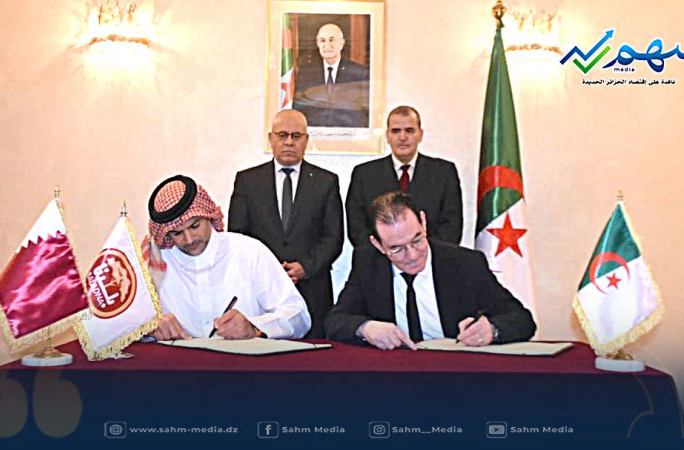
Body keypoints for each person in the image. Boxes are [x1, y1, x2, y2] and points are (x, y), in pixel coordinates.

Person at [326, 192, 535, 350]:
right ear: (378, 245)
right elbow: (335, 321)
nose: (412, 255)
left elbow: (522, 320)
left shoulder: (465, 263)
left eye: (417, 240)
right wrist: (365, 328)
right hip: (394, 372)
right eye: (397, 249)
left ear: (423, 223)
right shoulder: (368, 264)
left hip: (455, 371)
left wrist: (492, 329)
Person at [145, 174, 311, 340]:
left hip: (244, 355)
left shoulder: (248, 251)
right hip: (180, 356)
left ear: (209, 216)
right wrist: (149, 327)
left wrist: (254, 327)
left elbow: (298, 316)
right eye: (177, 233)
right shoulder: (155, 263)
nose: (189, 240)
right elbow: (131, 323)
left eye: (195, 226)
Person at [228, 110, 343, 338]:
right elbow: (238, 235)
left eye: (296, 136)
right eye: (282, 135)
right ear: (271, 139)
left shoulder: (326, 182)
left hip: (312, 289)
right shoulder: (248, 181)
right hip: (262, 291)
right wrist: (271, 269)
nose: (289, 142)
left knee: (315, 357)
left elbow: (333, 237)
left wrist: (305, 267)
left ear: (306, 140)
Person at [345, 105, 462, 248]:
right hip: (378, 258)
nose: (402, 137)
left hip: (431, 259)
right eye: (396, 131)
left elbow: (452, 226)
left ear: (420, 135)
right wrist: (387, 252)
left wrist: (423, 254)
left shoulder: (444, 172)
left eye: (409, 130)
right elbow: (357, 227)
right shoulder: (364, 174)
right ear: (387, 136)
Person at [293, 22, 369, 128]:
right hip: (315, 133)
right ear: (318, 44)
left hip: (348, 133)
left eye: (332, 40)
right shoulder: (306, 72)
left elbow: (365, 111)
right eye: (322, 41)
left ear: (342, 43)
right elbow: (299, 108)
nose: (327, 45)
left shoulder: (359, 72)